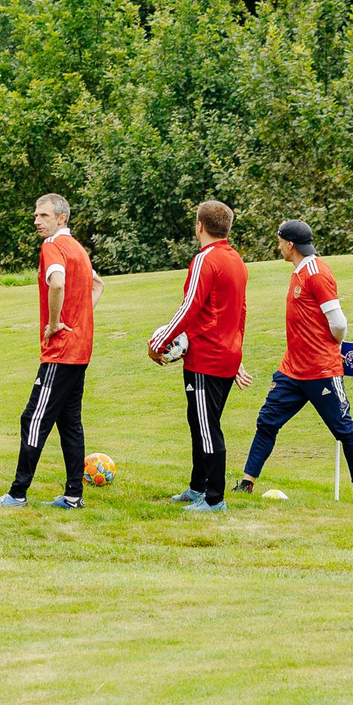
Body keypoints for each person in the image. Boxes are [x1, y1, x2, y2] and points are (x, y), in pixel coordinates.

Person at [237, 218, 353, 506]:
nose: (278, 246)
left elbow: (339, 322)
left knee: (344, 429)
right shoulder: (298, 272)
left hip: (321, 371)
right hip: (291, 371)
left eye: (279, 241)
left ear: (290, 244)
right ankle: (247, 483)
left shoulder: (316, 273)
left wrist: (330, 345)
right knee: (267, 422)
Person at [0, 193, 105, 510]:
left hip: (61, 351)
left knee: (33, 419)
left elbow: (56, 282)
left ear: (61, 218)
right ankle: (72, 496)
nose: (37, 221)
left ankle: (17, 494)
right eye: (36, 216)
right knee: (70, 422)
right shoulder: (78, 249)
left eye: (43, 215)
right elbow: (98, 285)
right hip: (80, 350)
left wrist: (55, 323)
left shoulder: (53, 247)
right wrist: (80, 320)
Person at [146, 199, 253, 512]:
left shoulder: (206, 260)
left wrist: (159, 343)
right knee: (200, 421)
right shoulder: (236, 260)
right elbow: (240, 311)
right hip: (225, 354)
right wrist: (237, 351)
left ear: (200, 226)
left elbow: (189, 306)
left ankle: (214, 498)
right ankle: (197, 488)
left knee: (207, 429)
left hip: (207, 358)